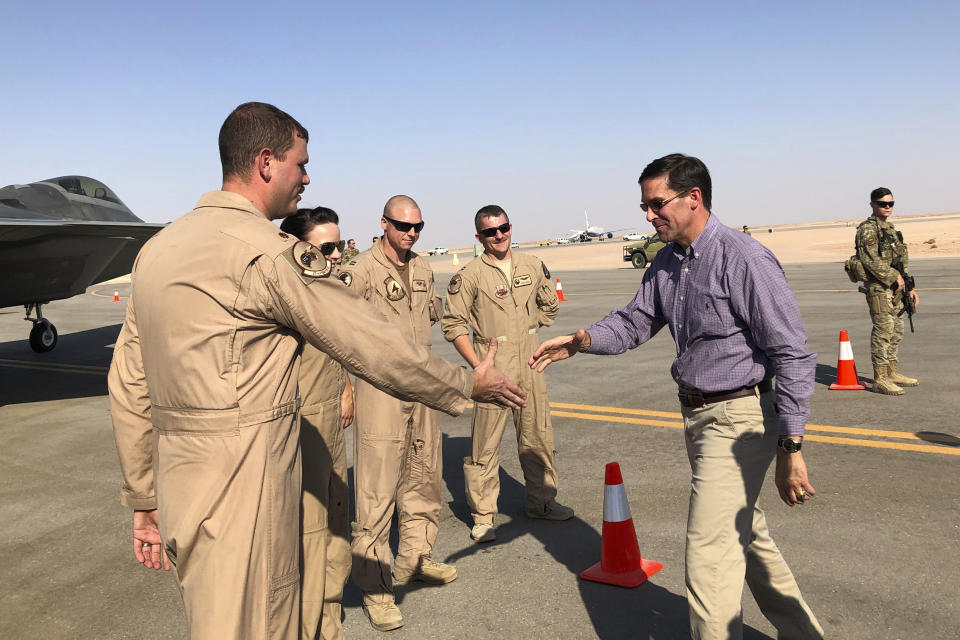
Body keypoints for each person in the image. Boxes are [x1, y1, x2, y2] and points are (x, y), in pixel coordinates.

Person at [107, 101, 526, 640]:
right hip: (248, 486)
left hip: (181, 486)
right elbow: (369, 343)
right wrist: (467, 383)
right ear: (265, 162)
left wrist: (144, 497)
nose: (307, 177)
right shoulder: (267, 254)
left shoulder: (157, 251)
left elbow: (129, 383)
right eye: (300, 164)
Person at [530, 154, 824, 640]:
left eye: (656, 204)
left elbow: (792, 355)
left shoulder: (743, 258)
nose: (648, 216)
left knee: (708, 563)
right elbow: (635, 321)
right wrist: (581, 340)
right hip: (699, 417)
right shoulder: (667, 263)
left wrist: (791, 447)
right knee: (748, 540)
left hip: (740, 419)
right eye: (644, 206)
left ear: (694, 198)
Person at [338, 195, 455, 632]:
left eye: (418, 227)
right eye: (404, 226)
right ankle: (376, 589)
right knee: (376, 490)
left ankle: (415, 558)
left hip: (422, 386)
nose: (411, 233)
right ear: (384, 224)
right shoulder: (360, 272)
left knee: (423, 477)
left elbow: (436, 317)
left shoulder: (423, 268)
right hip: (380, 388)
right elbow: (337, 331)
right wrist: (346, 387)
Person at [442, 205, 572, 545]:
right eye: (490, 232)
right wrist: (479, 364)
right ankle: (483, 515)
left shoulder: (531, 265)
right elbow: (453, 323)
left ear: (511, 227)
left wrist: (534, 328)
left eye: (503, 228)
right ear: (479, 237)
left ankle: (542, 502)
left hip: (530, 362)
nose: (499, 236)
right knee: (485, 444)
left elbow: (550, 305)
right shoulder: (470, 275)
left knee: (538, 436)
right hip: (493, 365)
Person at [279, 207, 353, 640]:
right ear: (297, 247)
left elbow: (339, 350)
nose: (338, 255)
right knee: (308, 536)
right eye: (328, 247)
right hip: (299, 426)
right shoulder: (284, 296)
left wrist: (348, 390)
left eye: (340, 245)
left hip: (330, 421)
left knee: (335, 528)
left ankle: (330, 626)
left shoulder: (327, 289)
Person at [855, 187, 920, 395]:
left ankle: (892, 372)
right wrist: (894, 277)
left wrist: (910, 287)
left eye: (890, 204)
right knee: (883, 331)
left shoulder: (890, 229)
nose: (887, 207)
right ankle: (880, 378)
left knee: (897, 331)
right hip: (879, 288)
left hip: (897, 289)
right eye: (883, 204)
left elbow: (900, 261)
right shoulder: (867, 229)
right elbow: (869, 259)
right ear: (872, 204)